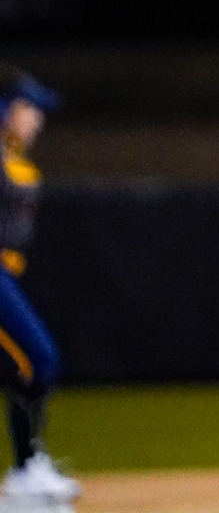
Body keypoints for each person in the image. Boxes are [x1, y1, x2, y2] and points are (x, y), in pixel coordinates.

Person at [0, 66, 80, 507]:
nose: (39, 120)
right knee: (38, 358)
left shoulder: (13, 157)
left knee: (28, 365)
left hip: (7, 276)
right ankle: (27, 465)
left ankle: (28, 464)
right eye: (31, 108)